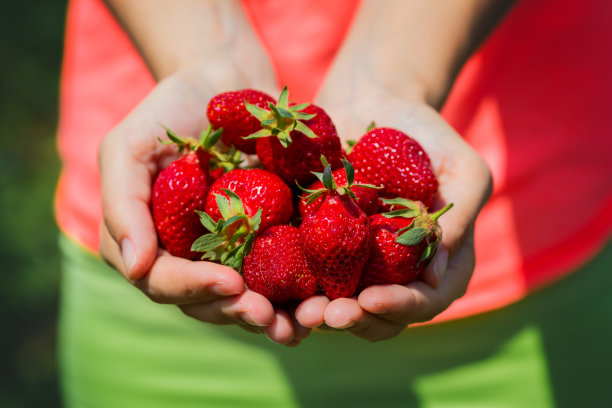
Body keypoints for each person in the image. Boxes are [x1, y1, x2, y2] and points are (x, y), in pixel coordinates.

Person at [56, 0, 612, 406]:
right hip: (155, 330)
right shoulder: (251, 195)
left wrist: (398, 73)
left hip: (526, 283)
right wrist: (202, 55)